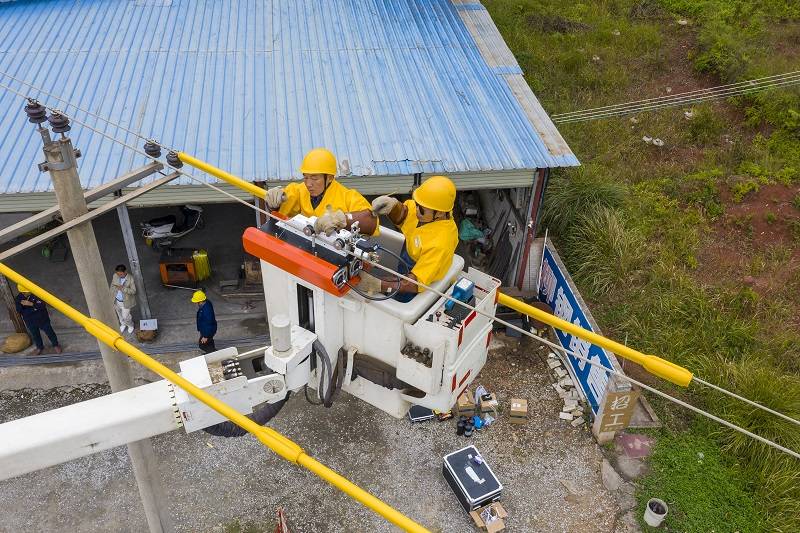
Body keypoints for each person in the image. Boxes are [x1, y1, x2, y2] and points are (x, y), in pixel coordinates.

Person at [366, 175, 459, 302]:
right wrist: (393, 206)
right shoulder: (427, 213)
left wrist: (379, 285)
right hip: (408, 257)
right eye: (416, 204)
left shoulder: (440, 243)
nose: (416, 210)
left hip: (415, 279)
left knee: (400, 297)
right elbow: (405, 213)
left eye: (421, 209)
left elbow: (414, 283)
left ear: (440, 213)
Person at [264, 148, 378, 235]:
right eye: (305, 177)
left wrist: (342, 219)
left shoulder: (348, 196)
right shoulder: (299, 190)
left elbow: (371, 221)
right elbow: (279, 212)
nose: (308, 183)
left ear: (329, 178)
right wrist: (273, 202)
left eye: (314, 178)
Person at [15, 283, 62, 355]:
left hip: (42, 319)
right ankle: (39, 347)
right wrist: (34, 309)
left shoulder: (37, 294)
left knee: (50, 332)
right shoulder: (19, 298)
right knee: (35, 335)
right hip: (30, 321)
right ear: (22, 292)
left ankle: (56, 345)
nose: (29, 292)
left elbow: (42, 306)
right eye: (26, 292)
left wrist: (31, 304)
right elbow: (19, 310)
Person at [110, 264, 136, 334]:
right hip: (116, 300)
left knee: (125, 316)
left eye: (121, 274)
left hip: (126, 302)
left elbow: (133, 291)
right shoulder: (115, 275)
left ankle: (130, 325)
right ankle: (123, 324)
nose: (119, 276)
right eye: (118, 274)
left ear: (125, 272)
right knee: (119, 314)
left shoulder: (131, 279)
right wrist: (112, 293)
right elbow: (112, 285)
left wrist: (123, 288)